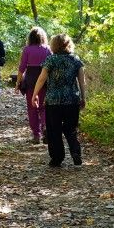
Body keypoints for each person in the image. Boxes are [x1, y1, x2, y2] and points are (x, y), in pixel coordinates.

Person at [32, 34, 86, 167]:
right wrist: (83, 98)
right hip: (72, 100)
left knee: (54, 130)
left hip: (53, 101)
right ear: (69, 44)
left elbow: (41, 78)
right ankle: (75, 152)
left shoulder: (50, 60)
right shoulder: (75, 59)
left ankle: (57, 158)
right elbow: (82, 81)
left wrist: (35, 94)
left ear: (54, 45)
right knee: (70, 128)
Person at [16, 26, 53, 144]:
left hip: (31, 80)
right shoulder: (48, 49)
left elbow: (22, 67)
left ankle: (36, 135)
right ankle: (46, 127)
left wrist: (18, 83)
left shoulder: (27, 49)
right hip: (45, 80)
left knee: (32, 108)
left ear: (30, 37)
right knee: (44, 106)